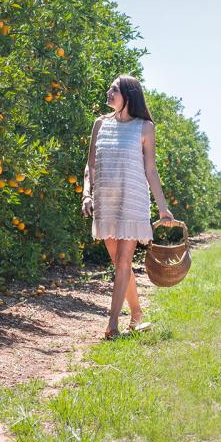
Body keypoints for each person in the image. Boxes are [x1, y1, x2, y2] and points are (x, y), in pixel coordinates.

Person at [82, 74, 179, 339]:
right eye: (110, 87)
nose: (109, 91)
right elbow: (90, 165)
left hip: (132, 200)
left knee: (124, 261)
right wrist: (86, 195)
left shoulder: (144, 127)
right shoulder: (100, 124)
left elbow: (150, 168)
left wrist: (163, 208)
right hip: (105, 201)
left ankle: (112, 324)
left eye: (114, 88)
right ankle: (136, 313)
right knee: (117, 262)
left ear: (128, 95)